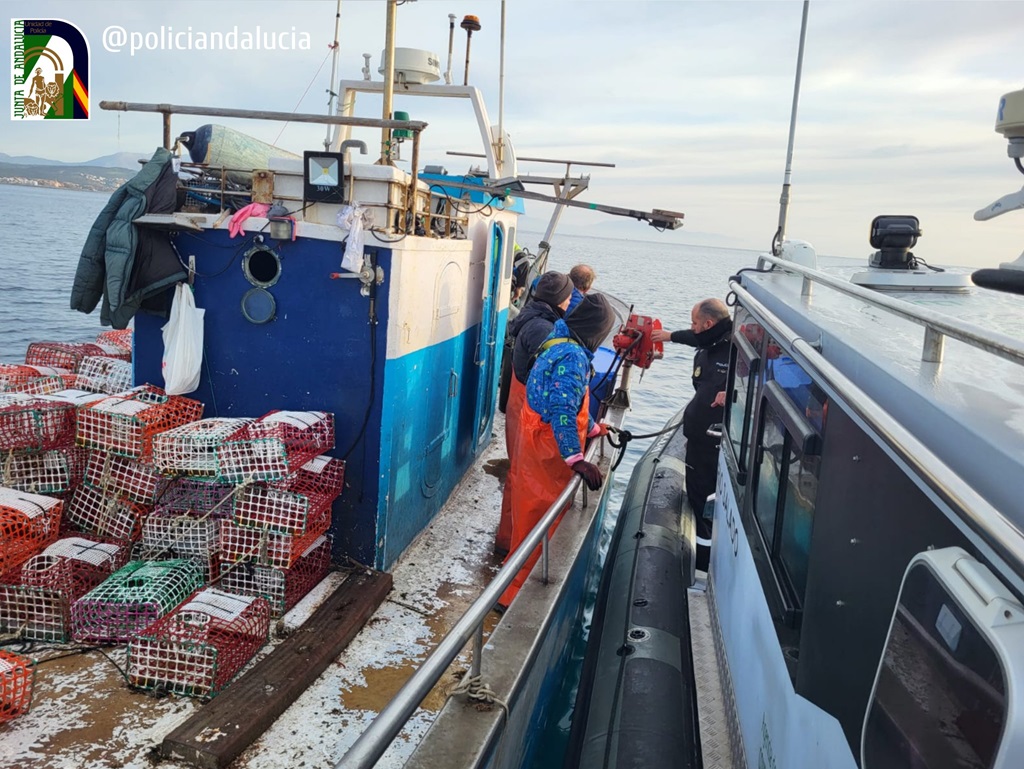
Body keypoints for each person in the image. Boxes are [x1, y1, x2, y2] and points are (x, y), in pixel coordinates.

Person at [499, 293, 616, 609]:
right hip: (547, 450)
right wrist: (576, 459)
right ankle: (514, 597)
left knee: (525, 513)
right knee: (540, 518)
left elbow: (567, 395)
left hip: (532, 437)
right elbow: (563, 406)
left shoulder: (557, 339)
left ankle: (511, 581)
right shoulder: (574, 358)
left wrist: (591, 426)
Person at [495, 271, 573, 556]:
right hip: (528, 409)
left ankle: (507, 541)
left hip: (519, 405)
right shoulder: (543, 329)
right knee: (524, 478)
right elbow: (550, 378)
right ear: (561, 300)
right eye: (567, 297)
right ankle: (516, 548)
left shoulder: (530, 316)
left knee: (517, 474)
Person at [653, 298, 732, 570]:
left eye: (694, 323)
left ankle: (703, 564)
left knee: (704, 500)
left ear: (708, 324)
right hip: (701, 437)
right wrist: (669, 336)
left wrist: (734, 392)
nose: (692, 328)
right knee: (699, 494)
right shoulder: (710, 342)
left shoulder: (735, 349)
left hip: (714, 442)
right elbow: (695, 339)